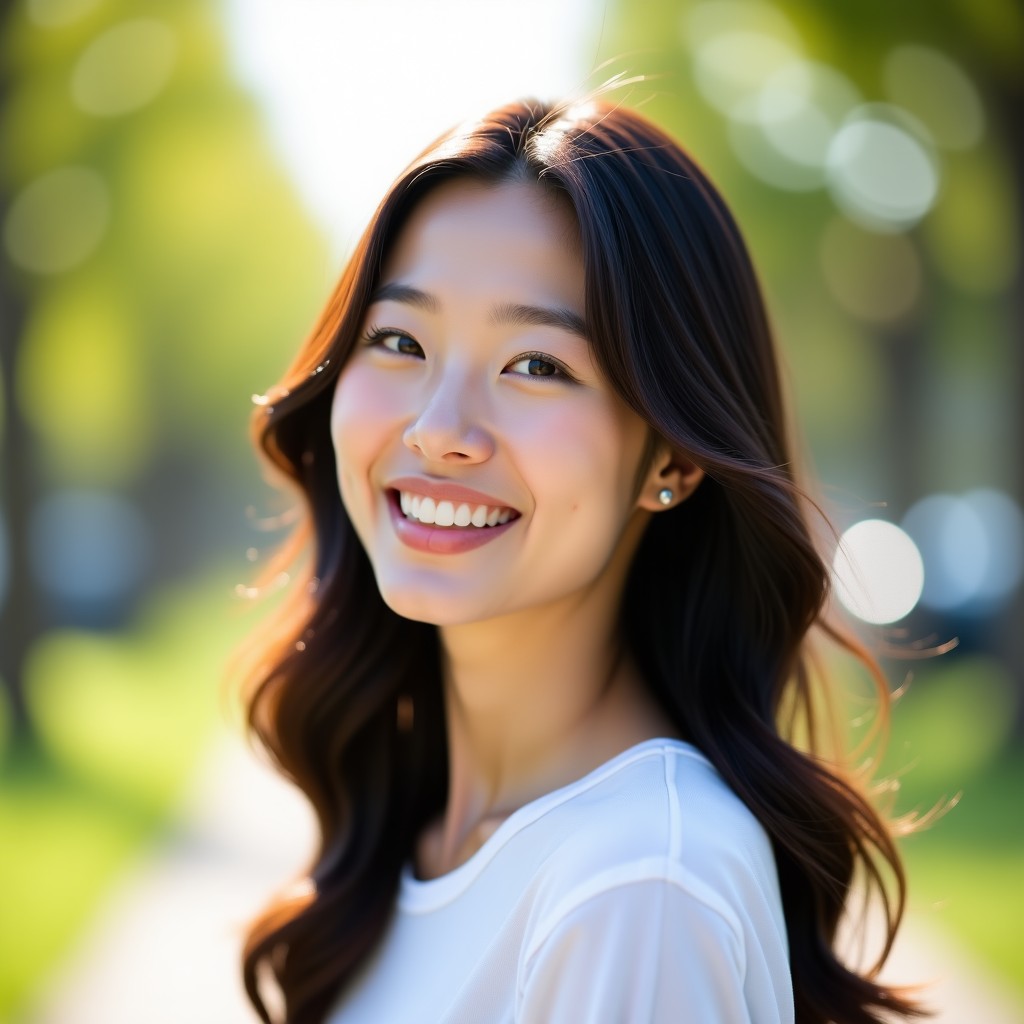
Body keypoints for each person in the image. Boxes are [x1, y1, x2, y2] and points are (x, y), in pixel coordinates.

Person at [238, 96, 925, 1024]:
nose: (441, 431)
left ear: (672, 459)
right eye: (399, 342)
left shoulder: (638, 888)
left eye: (537, 365)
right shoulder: (426, 824)